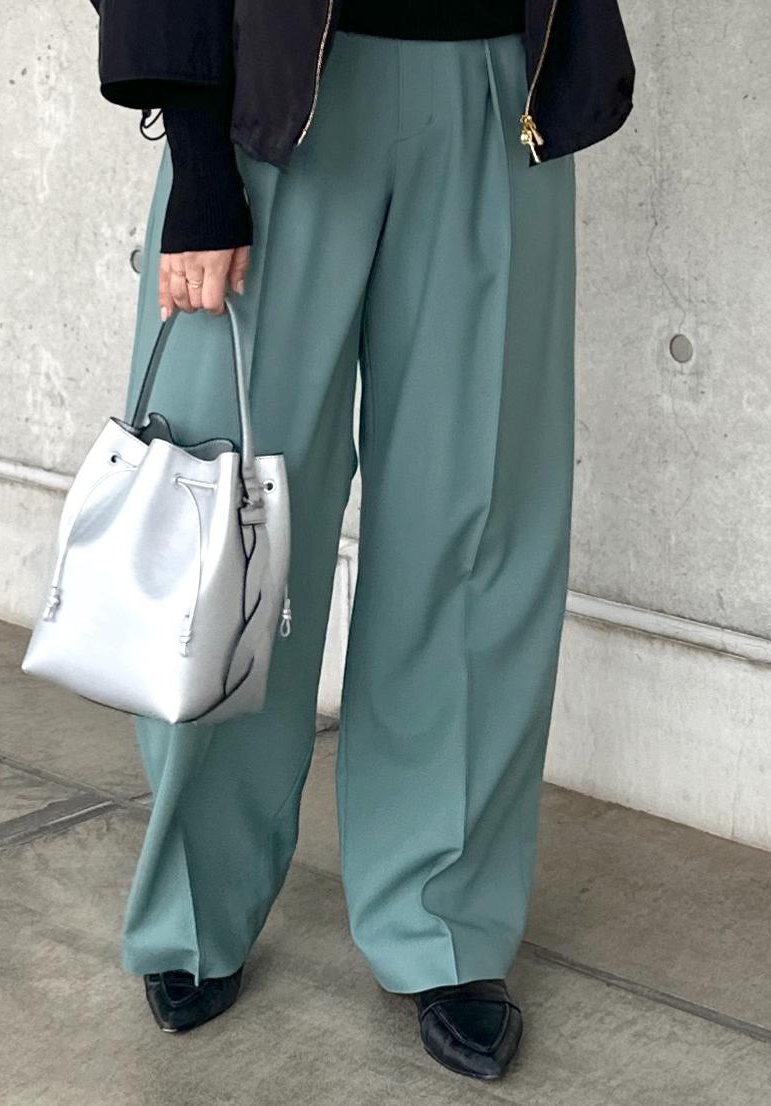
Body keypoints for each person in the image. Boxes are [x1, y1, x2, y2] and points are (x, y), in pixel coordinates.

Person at [88, 0, 634, 1081]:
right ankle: (196, 904)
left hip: (499, 87)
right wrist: (197, 156)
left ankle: (444, 918)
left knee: (473, 522)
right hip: (274, 95)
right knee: (221, 531)